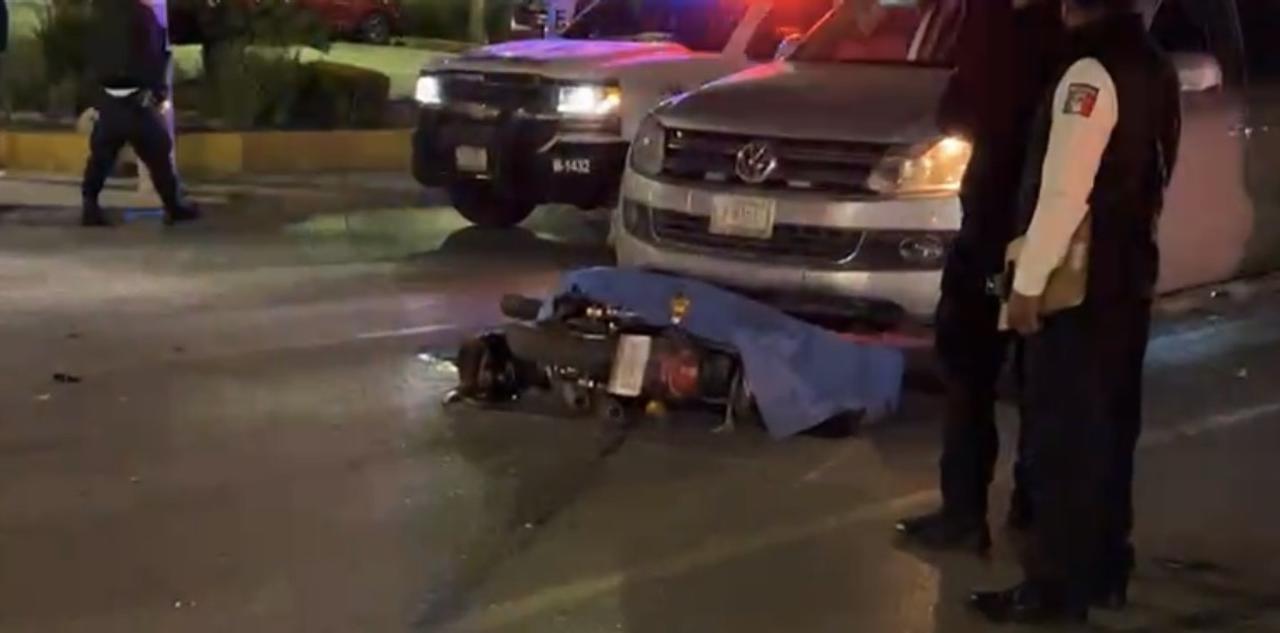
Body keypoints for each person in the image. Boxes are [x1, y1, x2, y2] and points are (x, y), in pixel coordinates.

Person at [969, 0, 1181, 623]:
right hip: (1129, 275)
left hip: (1081, 287)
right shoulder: (1153, 64)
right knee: (1112, 430)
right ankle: (1105, 568)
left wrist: (1028, 283)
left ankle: (1056, 586)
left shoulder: (1088, 72)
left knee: (1062, 437)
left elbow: (1063, 192)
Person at [895, 0, 1065, 553]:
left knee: (980, 369)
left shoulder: (1011, 29)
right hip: (1026, 223)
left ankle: (975, 511)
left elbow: (960, 109)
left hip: (1004, 222)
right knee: (1020, 373)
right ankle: (1020, 509)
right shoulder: (1053, 31)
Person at [82, 0, 199, 227]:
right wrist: (158, 93)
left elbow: (92, 57)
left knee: (101, 157)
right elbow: (153, 57)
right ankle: (173, 206)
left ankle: (90, 205)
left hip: (109, 99)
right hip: (136, 101)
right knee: (158, 153)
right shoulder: (143, 16)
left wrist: (94, 97)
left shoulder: (100, 16)